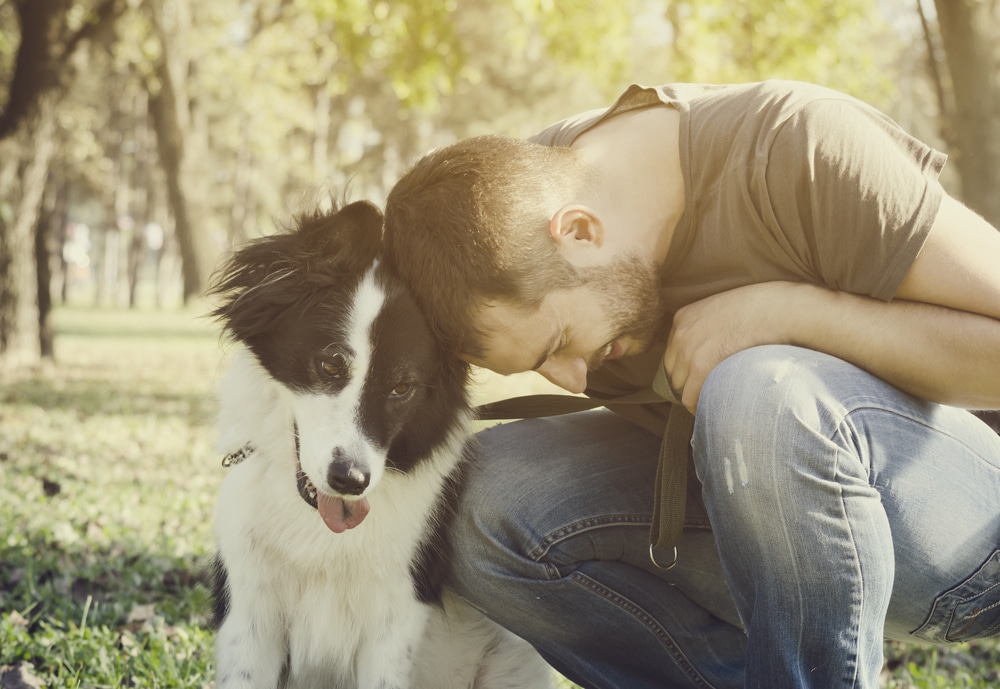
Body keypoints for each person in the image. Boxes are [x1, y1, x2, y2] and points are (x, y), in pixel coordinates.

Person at [381, 79, 1000, 689]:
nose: (573, 379)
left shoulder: (796, 147)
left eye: (559, 344)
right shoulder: (499, 210)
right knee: (470, 504)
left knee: (759, 391)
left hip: (965, 536)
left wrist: (791, 314)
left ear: (579, 231)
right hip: (764, 535)